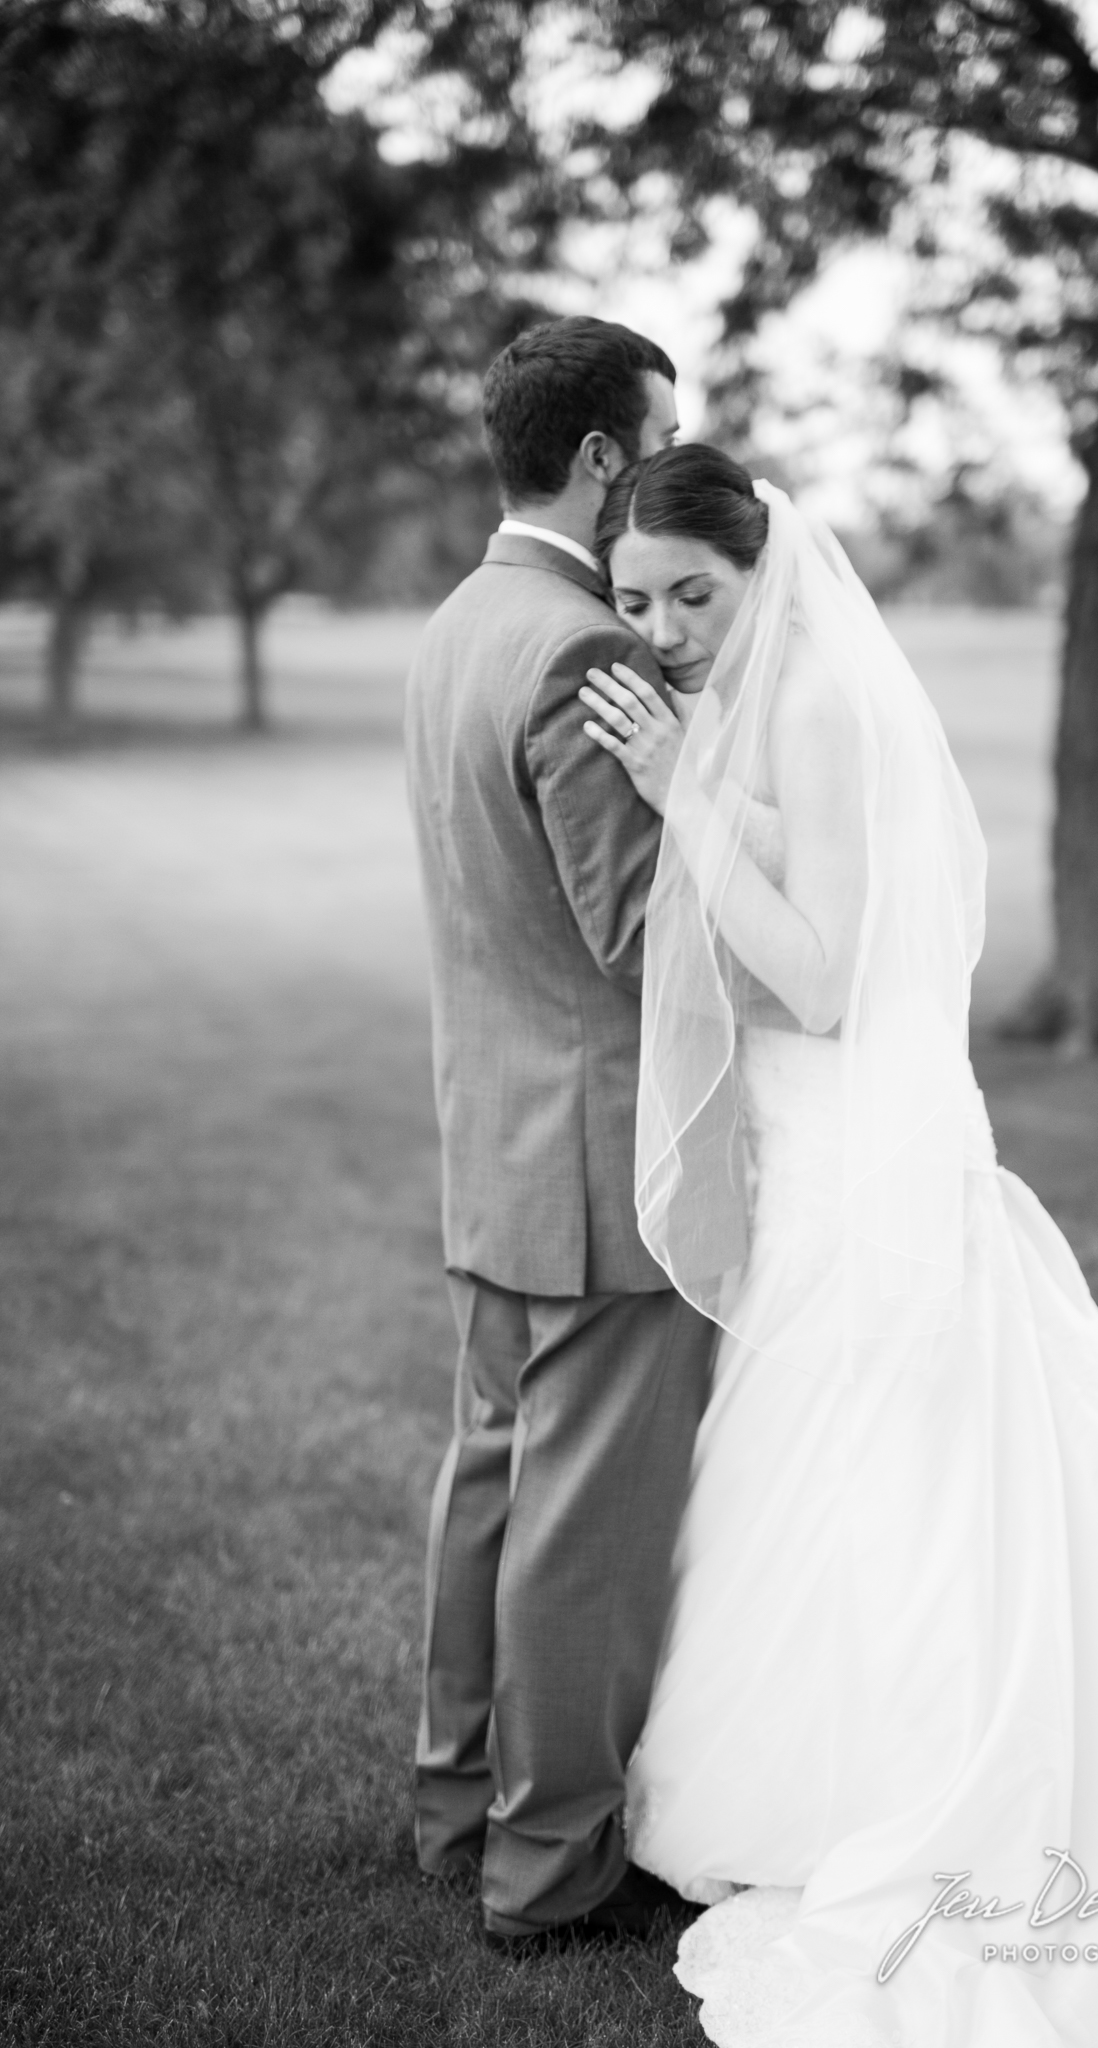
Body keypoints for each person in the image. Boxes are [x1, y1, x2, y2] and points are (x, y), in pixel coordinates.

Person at [578, 442, 1098, 2046]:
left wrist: (677, 801)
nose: (659, 628)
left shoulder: (814, 702)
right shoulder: (735, 692)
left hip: (862, 1150)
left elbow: (824, 982)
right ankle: (808, 1769)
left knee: (903, 1476)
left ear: (762, 568)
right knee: (823, 1472)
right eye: (632, 598)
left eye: (690, 595)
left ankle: (905, 1787)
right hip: (810, 1143)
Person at [403, 319, 721, 1949]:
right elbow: (647, 933)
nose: (663, 468)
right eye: (654, 439)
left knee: (488, 1491)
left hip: (493, 1150)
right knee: (581, 1541)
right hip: (603, 1170)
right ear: (600, 458)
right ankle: (546, 1869)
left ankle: (454, 1809)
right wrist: (743, 844)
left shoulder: (462, 621)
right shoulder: (586, 649)